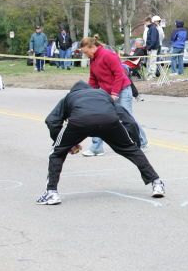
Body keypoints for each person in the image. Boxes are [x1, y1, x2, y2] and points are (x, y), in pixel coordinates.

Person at [37, 81, 165, 205]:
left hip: (80, 122)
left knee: (56, 154)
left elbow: (51, 121)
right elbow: (128, 120)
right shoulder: (103, 94)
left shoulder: (69, 97)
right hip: (109, 121)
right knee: (130, 149)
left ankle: (51, 192)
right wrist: (134, 145)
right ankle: (157, 183)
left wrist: (65, 146)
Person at [78, 36, 148, 156]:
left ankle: (141, 142)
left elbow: (119, 75)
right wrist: (89, 94)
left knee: (128, 119)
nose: (85, 55)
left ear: (92, 47)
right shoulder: (93, 59)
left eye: (85, 52)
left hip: (122, 90)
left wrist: (115, 93)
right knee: (99, 118)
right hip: (105, 92)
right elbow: (93, 78)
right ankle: (96, 148)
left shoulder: (108, 55)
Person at [145, 15, 162, 79]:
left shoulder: (153, 28)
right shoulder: (151, 28)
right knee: (150, 61)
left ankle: (152, 75)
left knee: (152, 61)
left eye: (146, 22)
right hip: (151, 48)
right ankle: (150, 74)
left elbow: (153, 40)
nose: (145, 24)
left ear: (149, 21)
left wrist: (149, 47)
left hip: (153, 48)